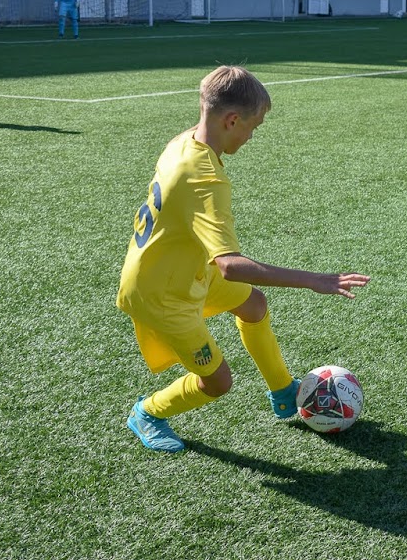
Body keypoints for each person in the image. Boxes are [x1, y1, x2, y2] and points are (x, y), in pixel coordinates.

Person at [118, 65, 370, 453]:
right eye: (253, 126)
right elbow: (230, 265)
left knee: (253, 304)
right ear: (231, 119)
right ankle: (148, 412)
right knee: (217, 382)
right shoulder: (205, 179)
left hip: (180, 270)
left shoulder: (184, 141)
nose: (252, 136)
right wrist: (314, 280)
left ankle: (283, 391)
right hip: (162, 293)